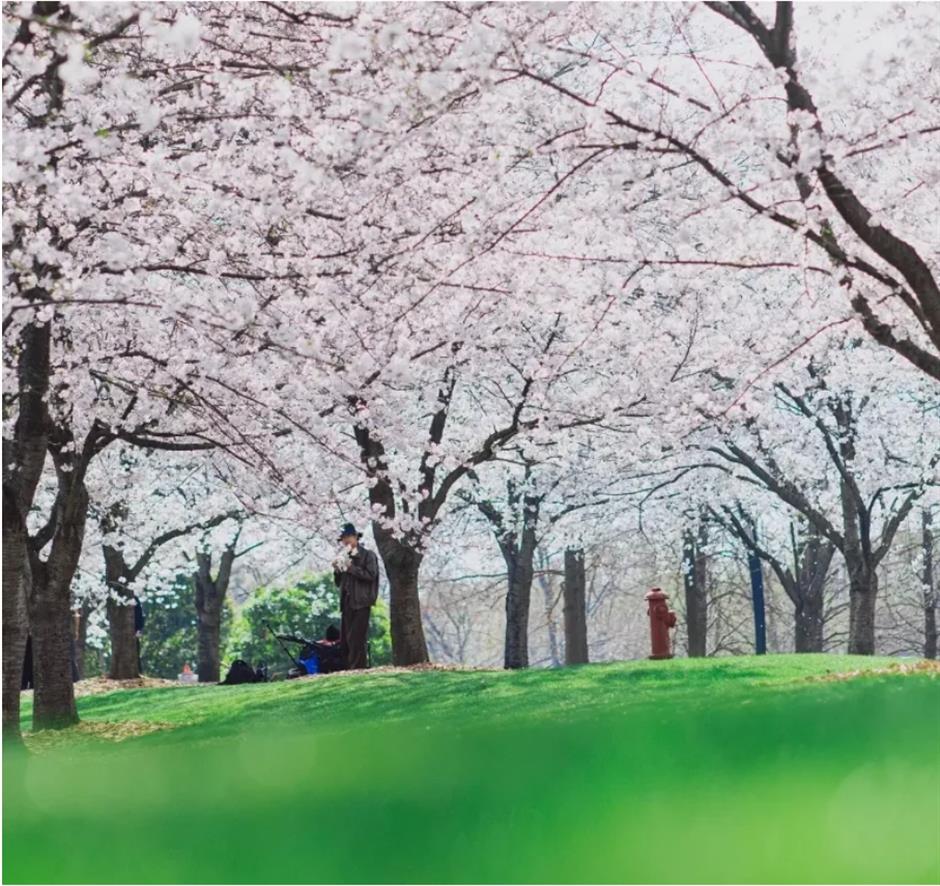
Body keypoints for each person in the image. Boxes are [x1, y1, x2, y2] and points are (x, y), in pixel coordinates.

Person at [332, 523, 379, 670]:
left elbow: (371, 575)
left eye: (348, 537)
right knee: (345, 639)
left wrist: (351, 567)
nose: (345, 541)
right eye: (343, 539)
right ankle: (349, 669)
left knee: (357, 639)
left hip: (362, 602)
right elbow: (338, 583)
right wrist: (337, 570)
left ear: (355, 537)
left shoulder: (368, 555)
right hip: (346, 603)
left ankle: (358, 669)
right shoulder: (344, 557)